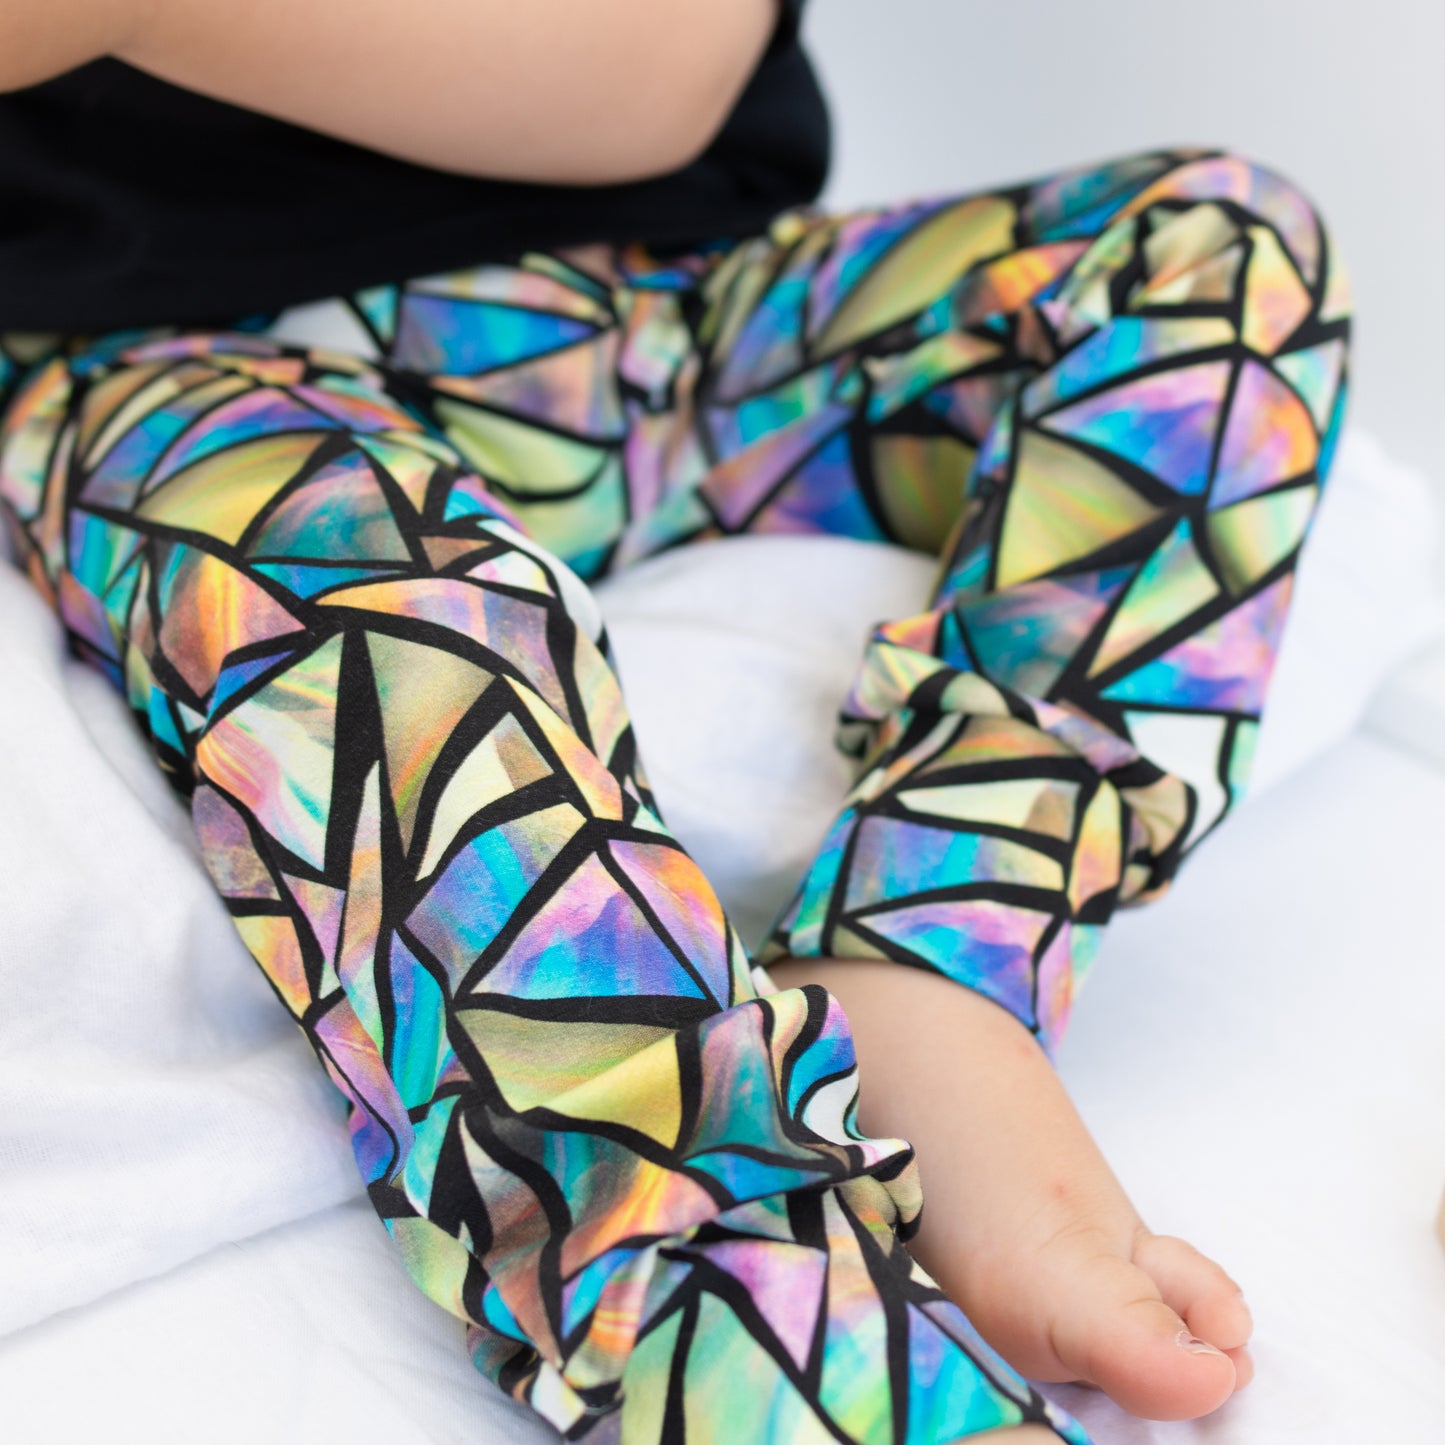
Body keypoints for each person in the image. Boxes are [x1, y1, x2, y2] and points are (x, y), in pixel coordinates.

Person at [0, 3, 1349, 1440]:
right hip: (163, 365)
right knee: (407, 653)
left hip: (667, 315)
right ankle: (760, 1328)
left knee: (1213, 249)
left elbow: (671, 73)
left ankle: (936, 952)